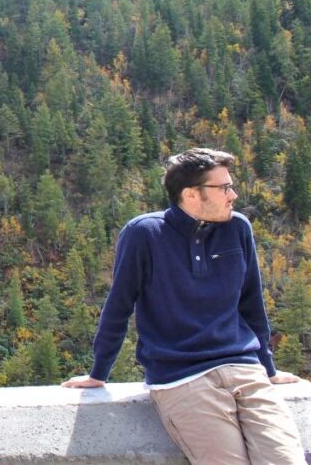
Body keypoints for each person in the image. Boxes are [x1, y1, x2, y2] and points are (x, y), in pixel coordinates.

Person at [62, 148, 305, 464]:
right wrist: (99, 373)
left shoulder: (237, 228)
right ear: (191, 194)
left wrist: (268, 369)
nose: (233, 195)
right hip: (182, 378)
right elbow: (119, 306)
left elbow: (251, 304)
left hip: (245, 369)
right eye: (224, 188)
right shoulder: (144, 234)